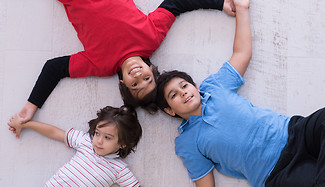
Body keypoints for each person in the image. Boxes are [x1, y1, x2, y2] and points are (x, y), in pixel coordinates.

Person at [155, 0, 325, 187]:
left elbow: (242, 53)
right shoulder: (186, 143)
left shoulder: (214, 87)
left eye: (184, 85)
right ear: (170, 110)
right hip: (277, 174)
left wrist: (242, 9)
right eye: (174, 95)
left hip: (294, 133)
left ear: (194, 85)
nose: (183, 92)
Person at [13, 0, 236, 128]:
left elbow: (54, 68)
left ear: (123, 82)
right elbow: (176, 3)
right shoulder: (151, 38)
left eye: (135, 84)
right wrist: (220, 3)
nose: (138, 75)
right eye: (147, 78)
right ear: (151, 69)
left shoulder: (100, 65)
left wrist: (30, 107)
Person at [3, 106, 175, 187]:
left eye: (108, 138)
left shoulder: (119, 169)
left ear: (122, 143)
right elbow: (55, 132)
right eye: (97, 133)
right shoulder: (85, 142)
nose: (99, 141)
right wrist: (26, 125)